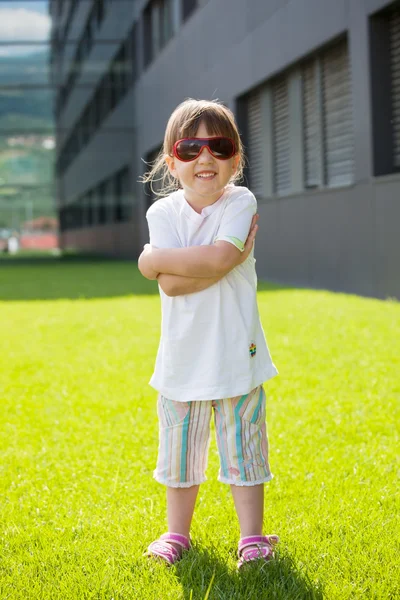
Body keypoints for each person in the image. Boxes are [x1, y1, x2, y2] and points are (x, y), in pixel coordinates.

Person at [138, 99, 279, 569]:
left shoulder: (241, 201)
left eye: (220, 147)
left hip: (238, 355)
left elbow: (212, 262)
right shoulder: (163, 214)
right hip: (181, 362)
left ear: (236, 160)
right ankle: (177, 535)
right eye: (191, 146)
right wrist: (212, 260)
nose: (206, 158)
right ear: (171, 159)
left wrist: (154, 261)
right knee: (179, 457)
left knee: (246, 450)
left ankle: (252, 538)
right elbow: (176, 286)